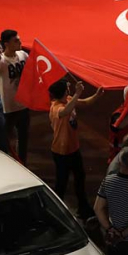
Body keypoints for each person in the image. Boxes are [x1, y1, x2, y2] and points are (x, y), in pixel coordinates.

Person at [49, 78, 102, 219]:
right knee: (62, 183)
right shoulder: (55, 107)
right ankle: (56, 211)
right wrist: (78, 93)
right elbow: (65, 111)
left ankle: (83, 207)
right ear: (62, 92)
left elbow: (84, 103)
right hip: (61, 152)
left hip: (73, 149)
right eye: (67, 88)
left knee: (80, 177)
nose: (69, 90)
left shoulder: (68, 99)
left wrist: (97, 95)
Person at [0, 30, 30, 164]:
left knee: (23, 138)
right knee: (7, 138)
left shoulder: (23, 55)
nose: (20, 42)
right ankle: (9, 163)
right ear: (6, 44)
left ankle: (22, 163)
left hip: (24, 104)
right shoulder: (1, 60)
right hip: (8, 107)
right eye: (16, 41)